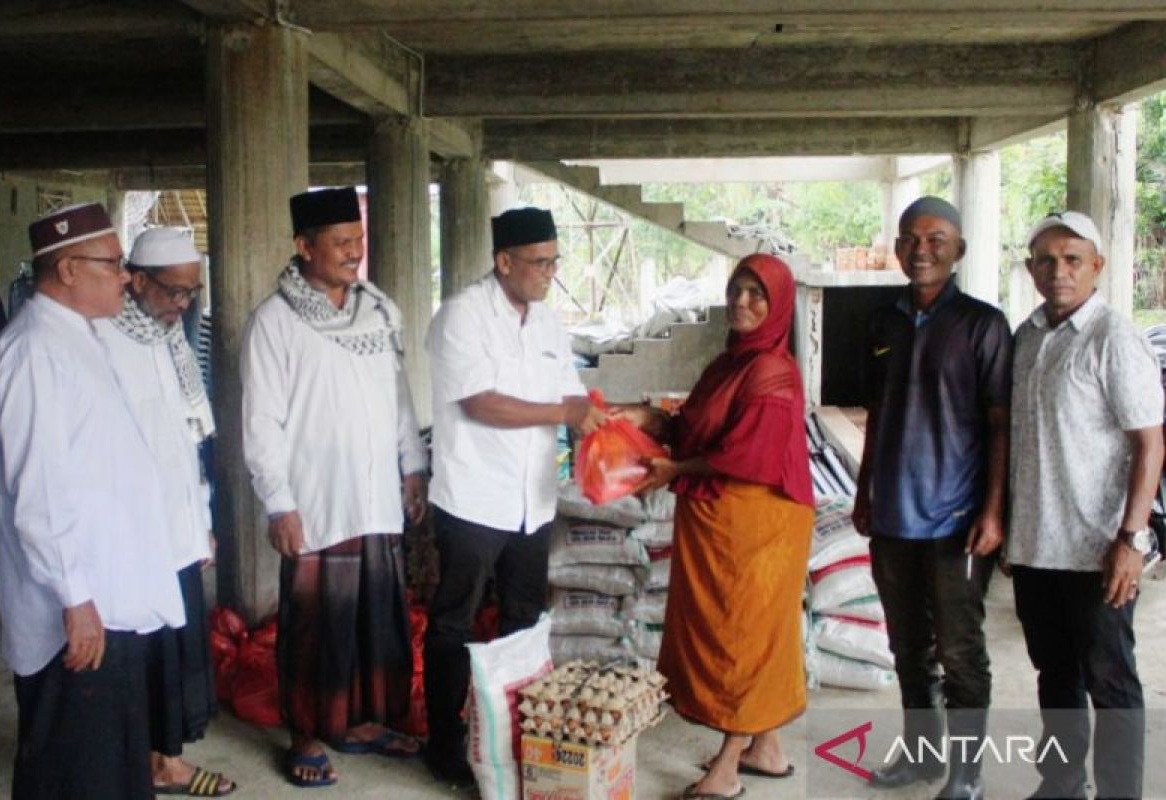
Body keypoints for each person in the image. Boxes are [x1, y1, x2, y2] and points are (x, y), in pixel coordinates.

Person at [0, 202, 185, 799]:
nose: (125, 276)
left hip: (107, 596)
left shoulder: (77, 338)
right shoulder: (34, 352)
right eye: (113, 264)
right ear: (68, 269)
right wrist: (75, 598)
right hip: (78, 609)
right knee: (74, 771)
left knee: (107, 767)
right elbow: (38, 493)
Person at [242, 186, 427, 789]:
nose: (354, 252)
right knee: (316, 626)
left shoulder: (377, 311)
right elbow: (261, 421)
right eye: (341, 242)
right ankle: (307, 733)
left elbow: (398, 399)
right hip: (316, 502)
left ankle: (363, 722)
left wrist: (413, 464)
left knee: (377, 618)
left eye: (359, 240)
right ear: (303, 246)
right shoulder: (274, 322)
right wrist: (279, 503)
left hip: (375, 497)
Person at [616, 254, 814, 800]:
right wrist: (649, 418)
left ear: (779, 306)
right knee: (755, 632)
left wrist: (674, 470)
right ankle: (766, 749)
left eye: (757, 294)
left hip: (758, 522)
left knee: (740, 639)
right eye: (737, 290)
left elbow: (748, 454)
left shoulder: (773, 372)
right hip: (722, 519)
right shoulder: (731, 362)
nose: (742, 303)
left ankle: (726, 768)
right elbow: (701, 428)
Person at [423, 206, 606, 784]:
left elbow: (576, 400)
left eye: (555, 262)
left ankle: (510, 733)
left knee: (525, 618)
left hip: (533, 500)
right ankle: (444, 741)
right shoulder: (461, 316)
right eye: (539, 262)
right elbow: (480, 402)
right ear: (504, 261)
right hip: (473, 499)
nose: (550, 273)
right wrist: (564, 412)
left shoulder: (550, 325)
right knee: (456, 620)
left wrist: (615, 432)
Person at [851, 196, 1010, 800]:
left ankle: (966, 773)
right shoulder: (882, 319)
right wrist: (865, 491)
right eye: (911, 240)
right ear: (896, 249)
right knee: (908, 647)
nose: (922, 250)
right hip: (892, 514)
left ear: (959, 250)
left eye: (936, 239)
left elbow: (1000, 423)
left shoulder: (982, 324)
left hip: (957, 522)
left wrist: (993, 511)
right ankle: (922, 756)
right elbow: (875, 414)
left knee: (961, 651)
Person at [1008, 211, 1164, 799]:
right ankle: (1062, 785)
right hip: (1036, 545)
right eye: (1046, 260)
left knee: (1111, 681)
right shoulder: (1028, 337)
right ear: (1030, 269)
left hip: (1097, 548)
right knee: (1055, 675)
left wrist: (1132, 539)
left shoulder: (1114, 338)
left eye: (1073, 260)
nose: (1059, 271)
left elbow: (1150, 443)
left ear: (1097, 267)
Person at [94, 227, 234, 797]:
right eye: (172, 292)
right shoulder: (101, 337)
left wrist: (202, 521)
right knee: (135, 653)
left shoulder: (171, 337)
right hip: (129, 533)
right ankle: (138, 764)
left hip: (177, 524)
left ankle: (163, 760)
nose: (182, 305)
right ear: (138, 279)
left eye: (190, 294)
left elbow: (187, 439)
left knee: (175, 651)